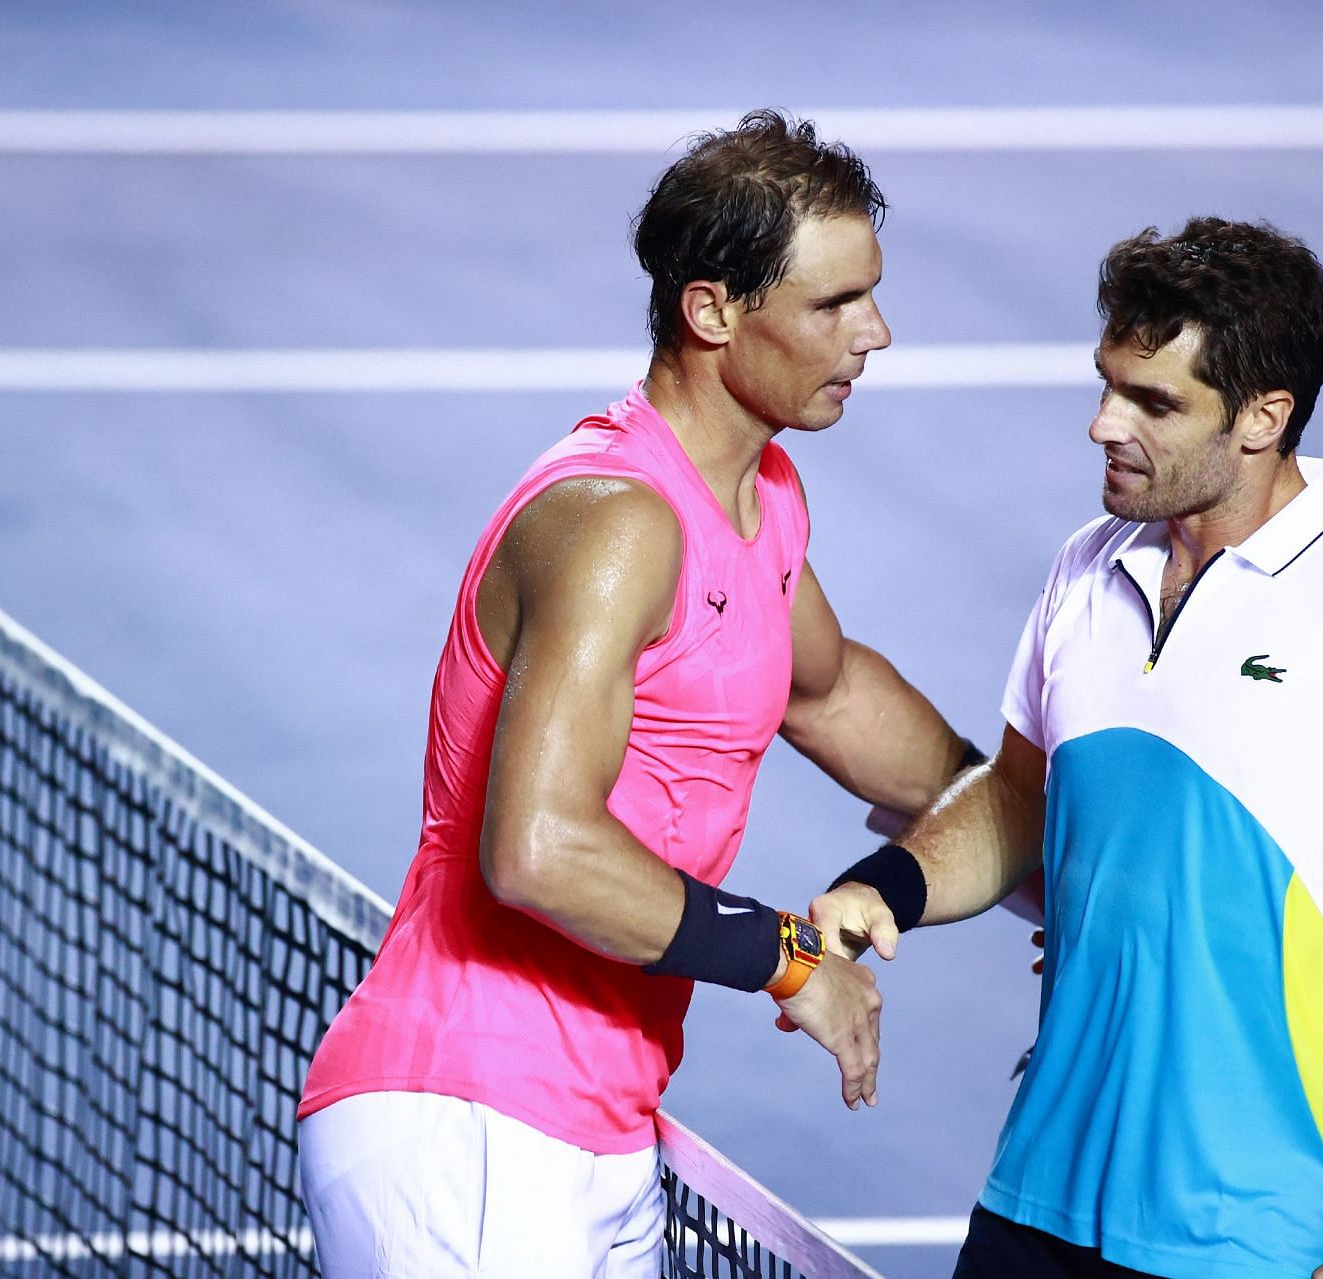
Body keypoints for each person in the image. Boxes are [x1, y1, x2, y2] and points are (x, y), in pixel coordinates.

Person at [296, 110, 979, 1278]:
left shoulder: (760, 498)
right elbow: (538, 848)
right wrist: (792, 958)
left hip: (597, 1129)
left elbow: (831, 691)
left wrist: (1053, 845)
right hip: (471, 1125)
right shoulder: (618, 522)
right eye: (834, 305)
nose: (876, 333)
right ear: (712, 311)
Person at [813, 217, 1323, 1279]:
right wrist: (890, 884)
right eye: (1108, 383)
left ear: (1262, 419)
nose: (1104, 423)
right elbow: (1021, 799)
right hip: (1043, 1190)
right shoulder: (1085, 567)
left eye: (1154, 402)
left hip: (1253, 1229)